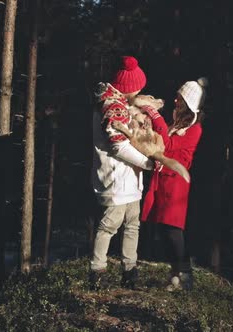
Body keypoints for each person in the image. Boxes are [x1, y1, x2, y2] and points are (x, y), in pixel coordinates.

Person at [90, 56, 157, 290]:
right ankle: (97, 273)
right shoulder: (113, 107)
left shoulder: (119, 105)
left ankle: (130, 272)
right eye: (138, 87)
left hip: (129, 181)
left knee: (132, 225)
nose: (140, 90)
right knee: (108, 227)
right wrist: (147, 163)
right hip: (117, 179)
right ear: (128, 88)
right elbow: (118, 146)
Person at [140, 78, 207, 291]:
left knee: (173, 229)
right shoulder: (177, 124)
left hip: (176, 184)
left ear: (188, 101)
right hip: (164, 181)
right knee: (163, 229)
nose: (175, 99)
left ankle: (185, 274)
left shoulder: (194, 129)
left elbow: (168, 145)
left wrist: (154, 114)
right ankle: (176, 273)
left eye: (180, 97)